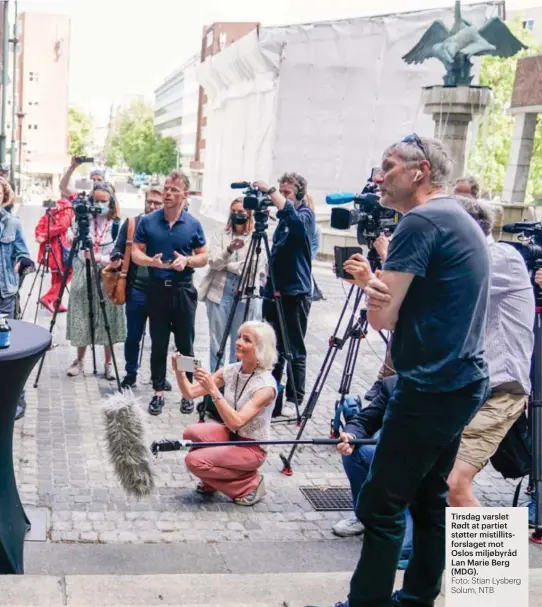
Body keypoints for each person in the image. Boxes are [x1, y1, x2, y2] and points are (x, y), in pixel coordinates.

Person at [324, 135, 490, 607]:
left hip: (430, 386)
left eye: (388, 166)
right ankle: (416, 599)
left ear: (419, 172)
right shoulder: (456, 215)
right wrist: (372, 282)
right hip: (459, 383)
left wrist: (370, 286)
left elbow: (381, 317)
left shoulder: (420, 220)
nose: (378, 177)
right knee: (428, 496)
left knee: (380, 505)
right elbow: (412, 303)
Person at [447, 197, 534, 511]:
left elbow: (446, 286)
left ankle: (495, 562)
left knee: (454, 482)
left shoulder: (501, 257)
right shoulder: (471, 257)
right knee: (435, 473)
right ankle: (431, 552)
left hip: (502, 392)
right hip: (471, 388)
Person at [175, 321, 278, 506]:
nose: (238, 342)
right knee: (191, 433)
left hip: (252, 447)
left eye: (246, 340)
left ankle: (249, 484)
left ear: (260, 349)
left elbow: (237, 421)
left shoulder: (265, 387)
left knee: (194, 461)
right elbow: (189, 393)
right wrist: (179, 373)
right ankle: (213, 479)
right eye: (239, 336)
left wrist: (214, 391)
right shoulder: (232, 370)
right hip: (231, 436)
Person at [132, 170, 208, 416]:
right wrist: (150, 262)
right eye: (166, 188)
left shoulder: (193, 224)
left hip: (183, 291)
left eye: (173, 190)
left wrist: (186, 261)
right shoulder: (149, 221)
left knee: (186, 345)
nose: (167, 193)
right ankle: (158, 392)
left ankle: (188, 392)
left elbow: (204, 257)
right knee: (159, 344)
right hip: (157, 291)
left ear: (185, 195)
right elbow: (136, 253)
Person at [333, 375, 413, 569]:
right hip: (394, 456)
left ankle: (490, 573)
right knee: (356, 450)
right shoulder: (393, 384)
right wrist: (351, 436)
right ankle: (369, 515)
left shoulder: (456, 385)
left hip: (433, 463)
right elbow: (364, 420)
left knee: (459, 488)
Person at [253, 173, 316, 417]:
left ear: (299, 194)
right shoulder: (282, 220)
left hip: (295, 293)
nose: (280, 196)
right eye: (280, 191)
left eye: (286, 192)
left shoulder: (305, 215)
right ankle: (271, 393)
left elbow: (296, 223)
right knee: (272, 346)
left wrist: (270, 191)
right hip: (274, 290)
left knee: (294, 347)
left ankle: (294, 397)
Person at [112, 185, 172, 391]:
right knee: (133, 336)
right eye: (150, 202)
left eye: (157, 202)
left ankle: (159, 376)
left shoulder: (169, 226)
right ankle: (131, 373)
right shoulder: (132, 224)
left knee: (160, 339)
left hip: (161, 292)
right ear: (144, 201)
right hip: (136, 290)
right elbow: (118, 249)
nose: (153, 206)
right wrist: (116, 259)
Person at [66, 182, 126, 380]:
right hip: (83, 273)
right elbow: (70, 241)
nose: (98, 205)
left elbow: (120, 256)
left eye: (103, 201)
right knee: (82, 316)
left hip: (107, 274)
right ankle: (80, 360)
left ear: (111, 202)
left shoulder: (117, 225)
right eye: (95, 200)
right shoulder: (82, 220)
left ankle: (108, 364)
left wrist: (100, 258)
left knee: (107, 316)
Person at [198, 196, 265, 371]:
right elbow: (212, 262)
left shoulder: (256, 237)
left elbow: (253, 268)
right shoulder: (220, 234)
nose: (237, 215)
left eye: (241, 212)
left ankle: (235, 383)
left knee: (241, 344)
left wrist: (226, 265)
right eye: (233, 211)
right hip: (219, 294)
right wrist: (228, 250)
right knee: (216, 344)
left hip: (245, 295)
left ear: (249, 214)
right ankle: (216, 386)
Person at [0, 178, 32, 419]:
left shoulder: (12, 223)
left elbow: (22, 252)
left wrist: (23, 262)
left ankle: (16, 398)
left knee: (7, 350)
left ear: (4, 196)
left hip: (4, 294)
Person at [34, 196, 74, 313]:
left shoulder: (54, 207)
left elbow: (40, 225)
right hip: (59, 248)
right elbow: (63, 225)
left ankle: (57, 302)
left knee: (57, 275)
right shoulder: (68, 207)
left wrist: (40, 235)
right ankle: (48, 298)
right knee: (68, 272)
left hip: (50, 248)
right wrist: (44, 235)